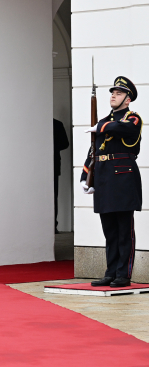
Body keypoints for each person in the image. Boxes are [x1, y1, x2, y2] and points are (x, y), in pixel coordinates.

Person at [81, 76, 142, 288]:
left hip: (123, 178)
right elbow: (94, 151)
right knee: (110, 230)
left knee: (125, 230)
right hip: (105, 178)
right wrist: (85, 175)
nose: (113, 96)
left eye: (118, 93)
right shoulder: (103, 123)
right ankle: (110, 272)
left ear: (128, 99)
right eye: (112, 92)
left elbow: (124, 130)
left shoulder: (132, 119)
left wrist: (102, 127)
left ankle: (123, 274)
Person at [53, 118, 70, 232]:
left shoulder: (57, 124)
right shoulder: (57, 123)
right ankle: (52, 225)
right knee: (54, 196)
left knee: (53, 196)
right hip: (52, 163)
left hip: (53, 164)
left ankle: (52, 225)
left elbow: (65, 143)